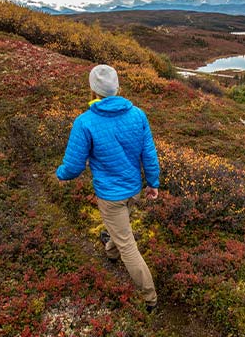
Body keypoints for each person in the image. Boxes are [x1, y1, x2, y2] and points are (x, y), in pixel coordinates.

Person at [56, 64, 160, 312]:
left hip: (110, 196)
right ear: (117, 88)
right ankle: (110, 251)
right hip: (133, 190)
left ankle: (150, 297)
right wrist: (153, 183)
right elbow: (149, 154)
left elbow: (73, 165)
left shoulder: (85, 122)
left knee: (128, 246)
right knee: (120, 230)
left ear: (92, 91)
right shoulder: (138, 114)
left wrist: (60, 175)